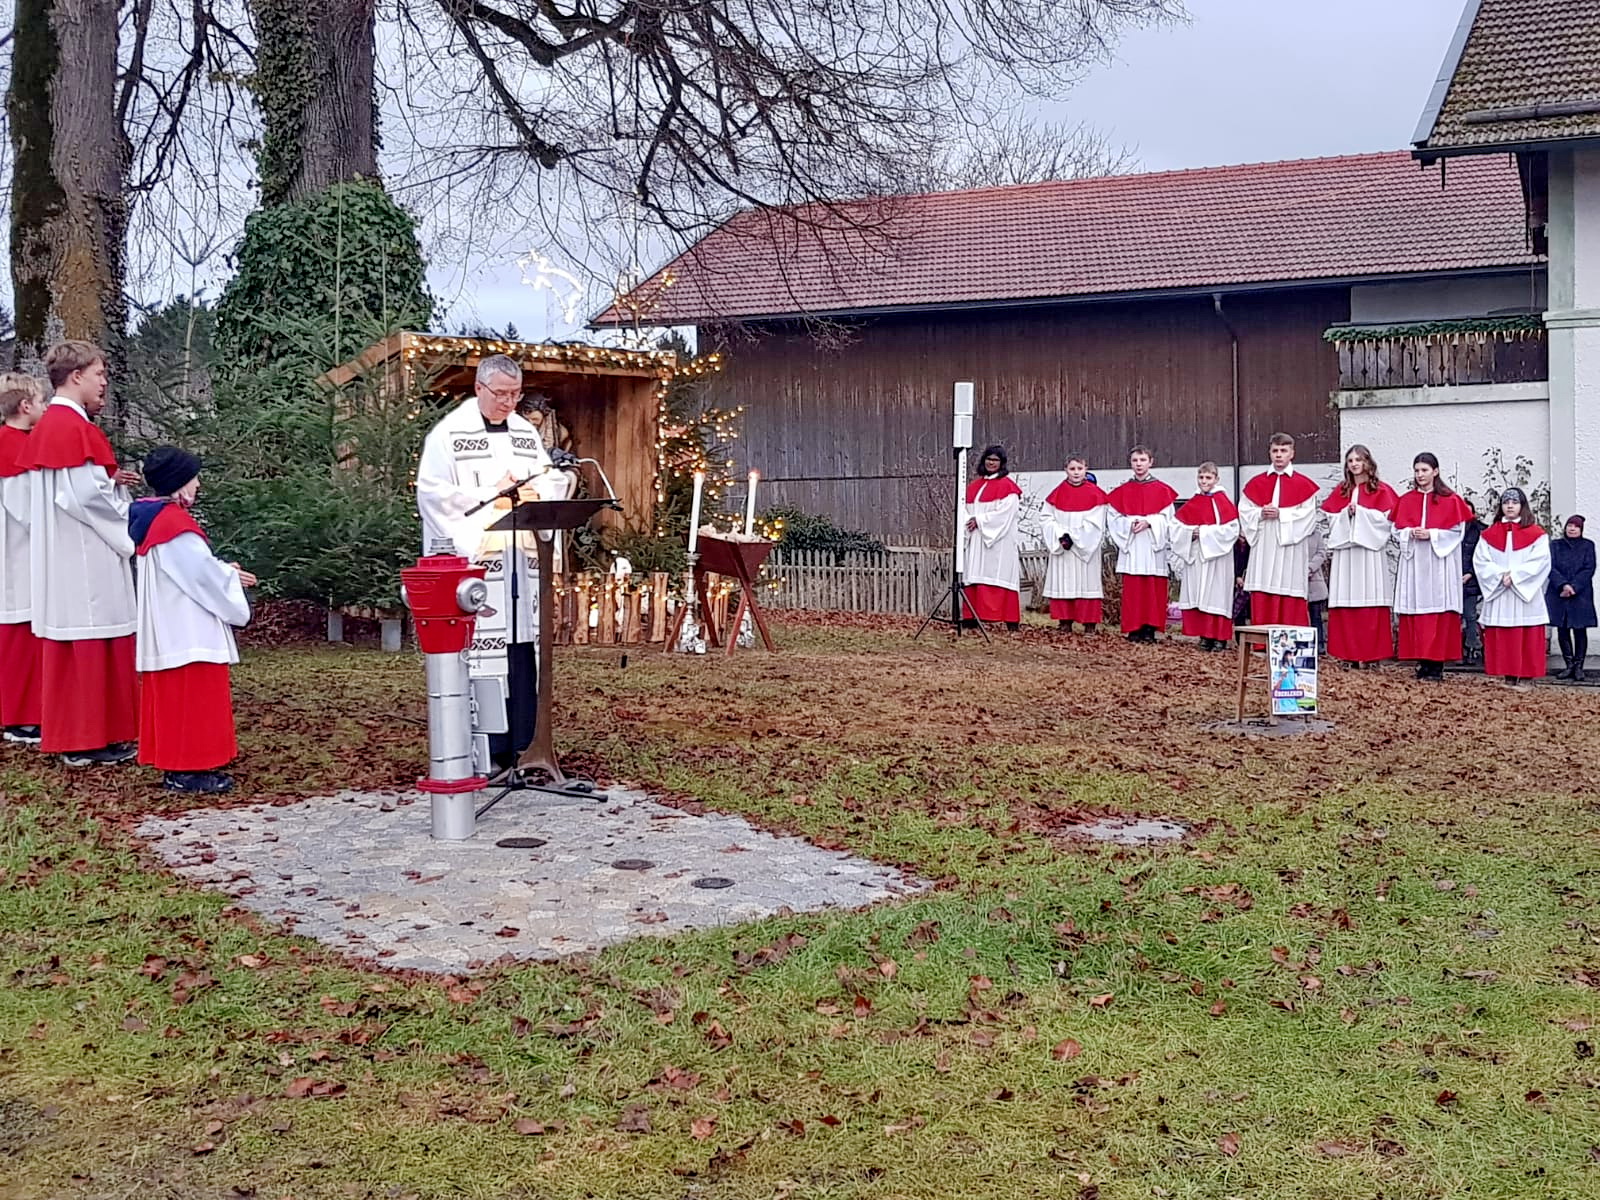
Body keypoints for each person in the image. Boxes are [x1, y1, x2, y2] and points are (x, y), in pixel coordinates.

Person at [417, 354, 566, 772]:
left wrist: (541, 491)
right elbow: (432, 494)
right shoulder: (450, 434)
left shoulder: (524, 433)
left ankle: (524, 744)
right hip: (483, 562)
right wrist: (490, 496)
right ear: (479, 388)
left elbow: (550, 478)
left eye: (515, 393)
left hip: (521, 562)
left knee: (520, 651)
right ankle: (488, 749)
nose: (509, 402)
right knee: (486, 656)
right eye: (501, 393)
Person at [18, 341, 142, 764]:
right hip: (85, 554)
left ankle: (91, 736)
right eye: (99, 374)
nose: (104, 382)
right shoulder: (72, 428)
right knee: (90, 637)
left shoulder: (52, 426)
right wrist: (131, 523)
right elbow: (86, 497)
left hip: (67, 552)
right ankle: (85, 740)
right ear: (76, 376)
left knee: (81, 640)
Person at [130, 448, 255, 792]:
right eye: (194, 478)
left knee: (178, 699)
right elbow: (200, 576)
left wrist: (222, 570)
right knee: (192, 699)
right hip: (187, 628)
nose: (198, 484)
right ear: (179, 483)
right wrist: (229, 578)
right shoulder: (174, 526)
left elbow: (193, 568)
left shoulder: (155, 520)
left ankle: (181, 765)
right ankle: (189, 770)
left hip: (171, 624)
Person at [1392, 452, 1474, 681]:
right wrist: (1410, 533)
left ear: (1435, 471)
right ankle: (1422, 662)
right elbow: (1395, 530)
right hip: (1415, 563)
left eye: (1424, 470)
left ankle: (1437, 664)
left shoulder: (1451, 500)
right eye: (1417, 470)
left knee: (1439, 611)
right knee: (1417, 611)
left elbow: (1457, 532)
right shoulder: (1406, 500)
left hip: (1440, 563)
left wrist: (1432, 534)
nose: (1420, 475)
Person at [0, 373, 47, 744]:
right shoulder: (11, 447)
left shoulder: (19, 443)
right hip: (18, 555)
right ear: (24, 406)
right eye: (40, 401)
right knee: (19, 634)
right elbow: (25, 509)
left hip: (22, 552)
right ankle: (19, 717)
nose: (45, 407)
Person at [1321, 445, 1399, 668]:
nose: (1354, 464)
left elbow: (1387, 520)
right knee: (1346, 598)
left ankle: (1372, 655)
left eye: (1358, 460)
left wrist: (1362, 514)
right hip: (1346, 552)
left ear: (1368, 463)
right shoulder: (1341, 490)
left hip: (1369, 552)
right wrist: (1346, 514)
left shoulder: (1381, 490)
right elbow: (1330, 518)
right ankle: (1348, 654)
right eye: (1350, 461)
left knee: (1371, 598)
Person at [1238, 433, 1320, 626]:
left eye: (1283, 450)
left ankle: (1290, 638)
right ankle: (1261, 638)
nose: (1279, 455)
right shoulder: (1256, 483)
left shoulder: (1303, 485)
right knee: (1263, 586)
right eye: (1275, 450)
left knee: (1289, 587)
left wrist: (1281, 514)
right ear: (1270, 453)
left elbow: (1308, 517)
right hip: (1265, 545)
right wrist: (1260, 513)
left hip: (1289, 547)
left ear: (1292, 453)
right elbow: (1244, 511)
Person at [1473, 487, 1551, 690]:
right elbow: (1481, 561)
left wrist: (1515, 577)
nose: (1509, 506)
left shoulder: (1536, 534)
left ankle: (1526, 677)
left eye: (1514, 503)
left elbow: (1540, 561)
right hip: (1501, 590)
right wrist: (1500, 576)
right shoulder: (1489, 534)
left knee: (1527, 634)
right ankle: (1508, 675)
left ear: (1522, 506)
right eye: (1506, 502)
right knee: (1505, 635)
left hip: (1524, 593)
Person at [1105, 446, 1178, 643]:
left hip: (1153, 546)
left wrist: (1150, 522)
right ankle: (1134, 628)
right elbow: (1113, 518)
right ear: (1131, 463)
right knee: (1134, 588)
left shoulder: (1162, 490)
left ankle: (1150, 630)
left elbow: (1169, 519)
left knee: (1152, 588)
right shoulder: (1122, 491)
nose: (1139, 464)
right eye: (1135, 460)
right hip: (1133, 544)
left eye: (1143, 460)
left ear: (1150, 462)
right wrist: (1129, 524)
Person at [1169, 461, 1239, 650]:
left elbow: (1232, 529)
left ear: (1216, 479)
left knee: (1216, 596)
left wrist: (1205, 533)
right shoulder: (1194, 500)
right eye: (1201, 477)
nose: (1204, 481)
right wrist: (1190, 533)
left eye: (1208, 477)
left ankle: (1219, 637)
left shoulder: (1222, 501)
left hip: (1217, 558)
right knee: (1199, 595)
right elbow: (1175, 527)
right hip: (1197, 555)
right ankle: (1204, 636)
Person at [1042, 454, 1108, 632]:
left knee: (1087, 583)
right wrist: (1061, 536)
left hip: (1085, 547)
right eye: (1072, 469)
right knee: (1063, 581)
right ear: (1065, 470)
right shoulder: (1057, 493)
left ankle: (1089, 624)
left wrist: (1075, 538)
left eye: (1080, 468)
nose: (1076, 472)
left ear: (1086, 469)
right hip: (1063, 546)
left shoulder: (1096, 494)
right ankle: (1065, 621)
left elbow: (1096, 523)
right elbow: (1046, 518)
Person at [960, 445, 1023, 630]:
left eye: (995, 460)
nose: (991, 463)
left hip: (998, 541)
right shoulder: (974, 486)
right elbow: (963, 510)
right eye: (988, 459)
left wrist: (980, 521)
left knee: (998, 573)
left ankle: (1008, 619)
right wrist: (970, 521)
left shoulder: (1008, 487)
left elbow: (1006, 513)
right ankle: (972, 617)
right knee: (974, 574)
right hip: (976, 538)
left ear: (1001, 463)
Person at [1546, 514, 1595, 681]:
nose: (1572, 529)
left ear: (1581, 529)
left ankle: (1579, 666)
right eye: (1569, 525)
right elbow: (1550, 567)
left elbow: (1589, 568)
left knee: (1580, 630)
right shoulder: (1555, 545)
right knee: (1562, 629)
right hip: (1559, 593)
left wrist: (1573, 587)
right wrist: (1563, 585)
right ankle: (1569, 665)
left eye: (1576, 526)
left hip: (1580, 595)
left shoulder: (1588, 545)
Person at [1461, 502, 1488, 666]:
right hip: (1451, 579)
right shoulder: (1451, 528)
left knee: (1470, 614)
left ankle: (1472, 647)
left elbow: (1481, 555)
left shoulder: (1479, 530)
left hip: (1471, 580)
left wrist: (1470, 573)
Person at [1306, 521, 1329, 653]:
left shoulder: (1317, 534)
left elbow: (1321, 553)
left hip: (1314, 579)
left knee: (1316, 615)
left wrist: (1310, 568)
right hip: (1297, 580)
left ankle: (1319, 644)